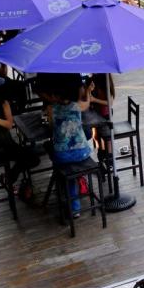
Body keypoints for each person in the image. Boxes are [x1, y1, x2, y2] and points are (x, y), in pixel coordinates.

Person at [36, 73, 92, 216]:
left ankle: (69, 202)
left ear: (56, 95)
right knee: (69, 166)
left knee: (55, 155)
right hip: (83, 152)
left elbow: (50, 127)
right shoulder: (77, 106)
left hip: (63, 156)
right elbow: (87, 102)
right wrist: (89, 92)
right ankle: (74, 200)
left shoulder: (51, 109)